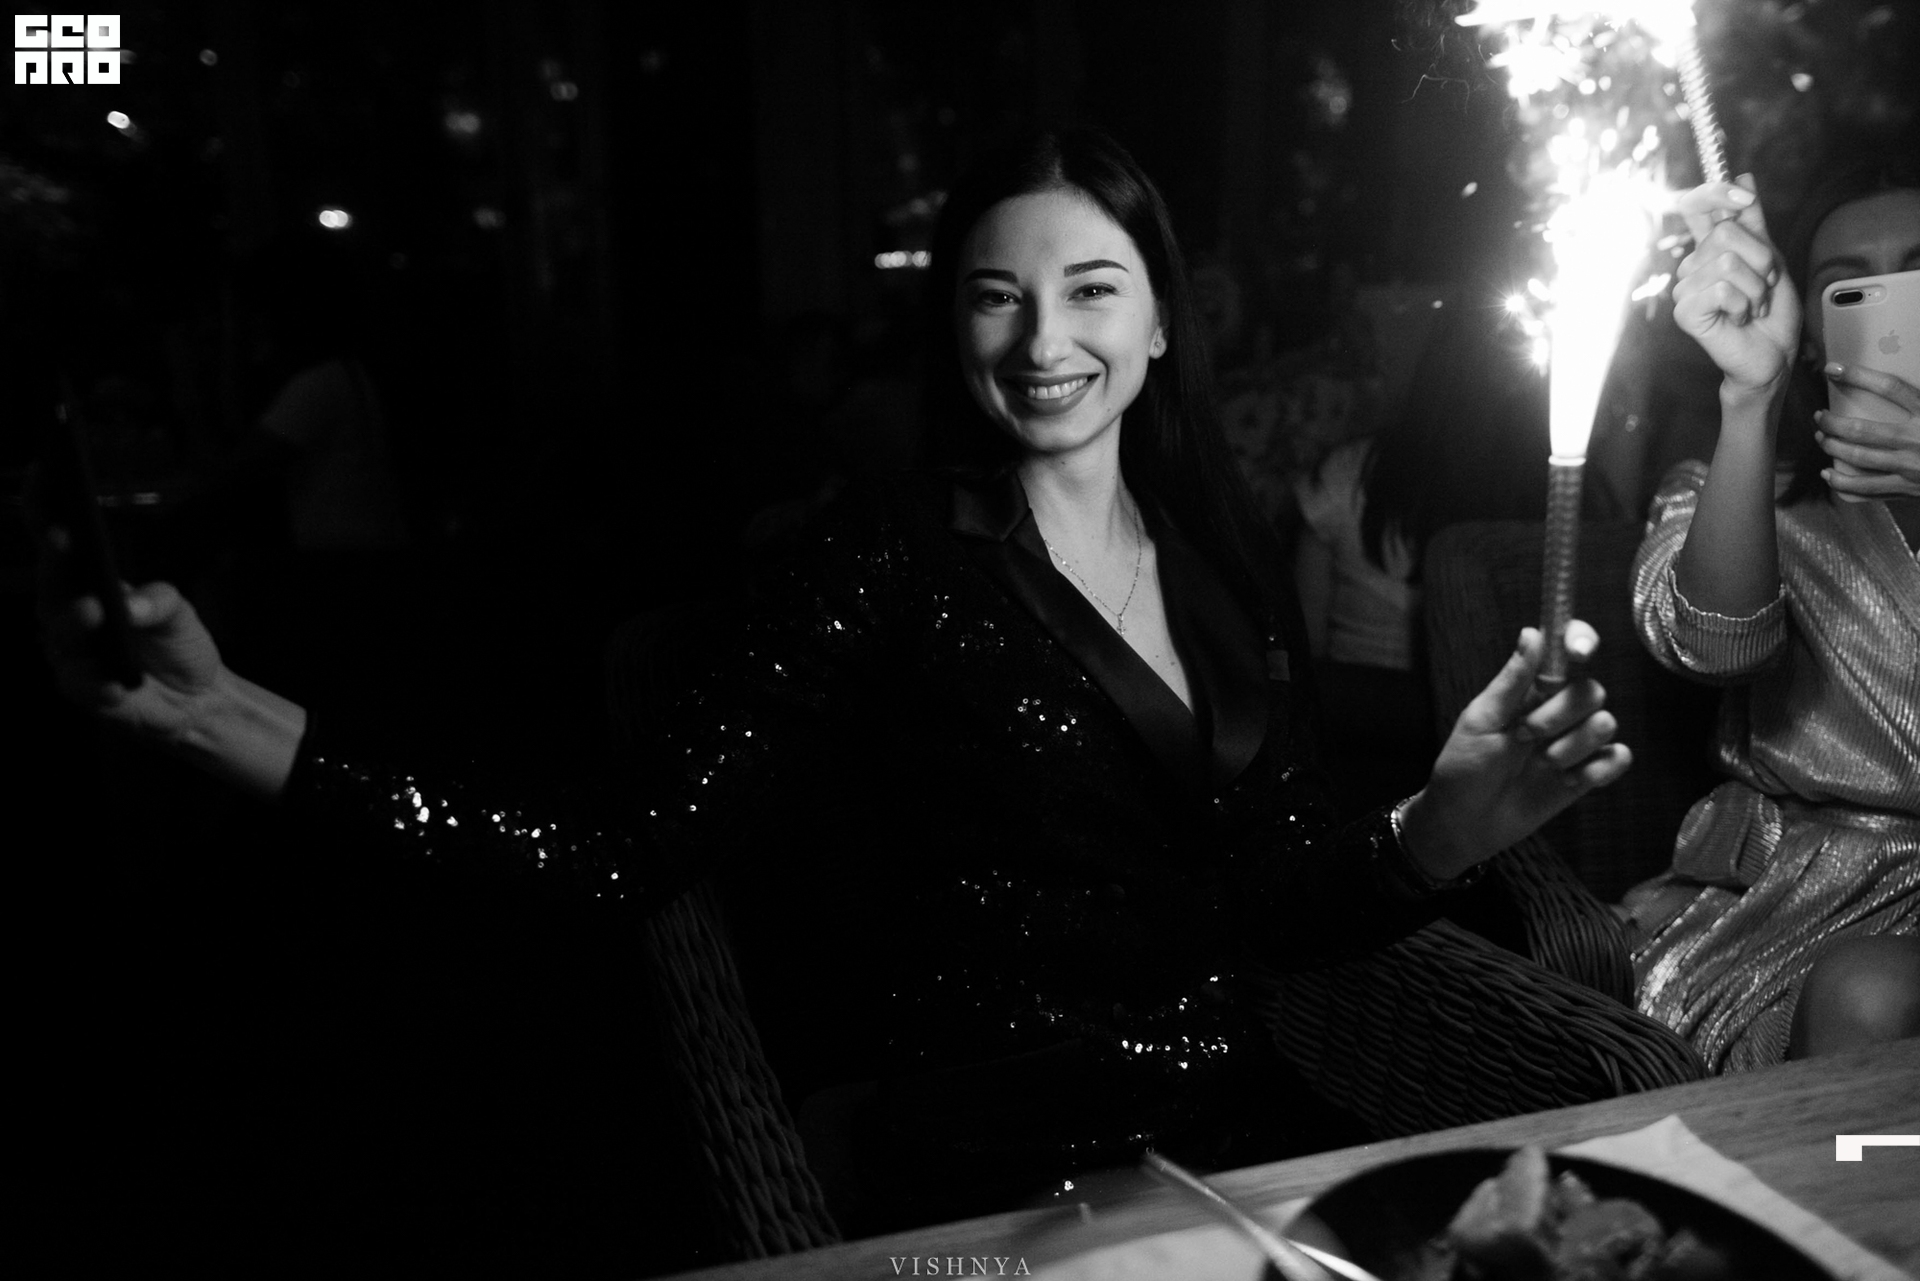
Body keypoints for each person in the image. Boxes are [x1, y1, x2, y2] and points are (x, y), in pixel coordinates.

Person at [39, 129, 1632, 1233]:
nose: (1042, 339)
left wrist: (1444, 822)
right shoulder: (890, 559)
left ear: (1163, 324)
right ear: (953, 328)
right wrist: (224, 714)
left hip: (1230, 1152)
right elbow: (616, 849)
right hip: (991, 1189)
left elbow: (1271, 903)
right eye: (996, 294)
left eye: (1090, 288)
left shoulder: (1217, 570)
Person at [1621, 158, 1920, 1075]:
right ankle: (1861, 1170)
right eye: (1847, 286)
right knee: (1873, 992)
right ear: (1816, 334)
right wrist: (1752, 396)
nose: (1889, 302)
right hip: (1808, 918)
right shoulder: (1742, 492)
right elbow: (1714, 646)